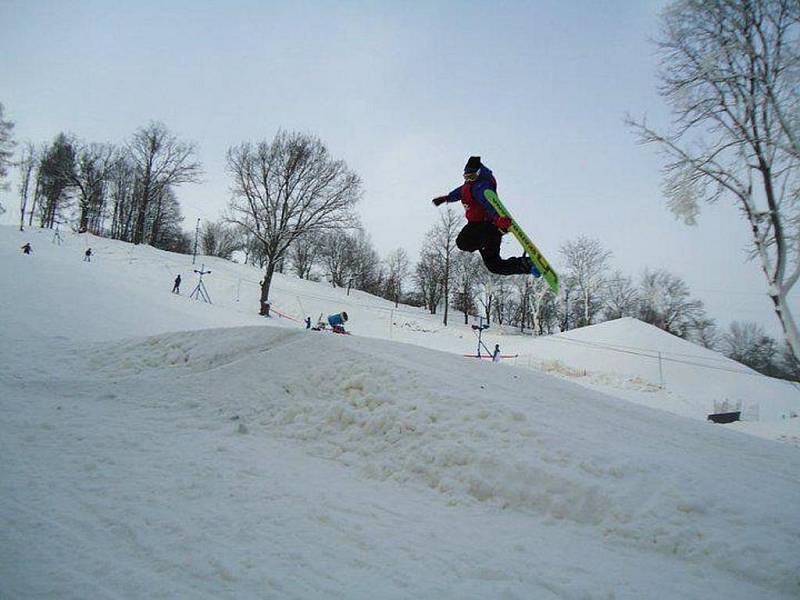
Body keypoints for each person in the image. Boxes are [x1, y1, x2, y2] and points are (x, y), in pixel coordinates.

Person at [433, 156, 540, 277]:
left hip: (484, 225)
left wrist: (497, 219)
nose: (469, 180)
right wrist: (445, 199)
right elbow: (457, 194)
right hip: (483, 230)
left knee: (462, 242)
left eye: (472, 177)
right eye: (466, 177)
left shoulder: (482, 187)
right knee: (494, 266)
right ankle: (526, 264)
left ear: (479, 173)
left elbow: (489, 204)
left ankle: (496, 232)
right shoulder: (467, 187)